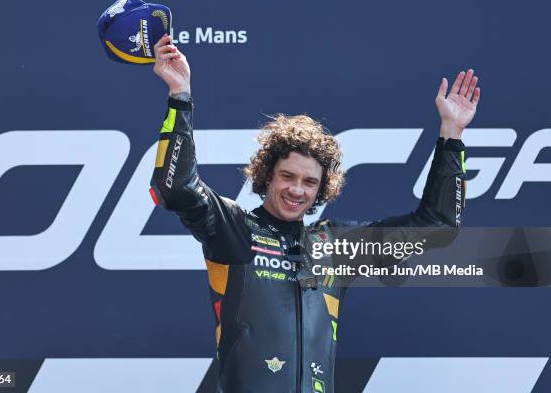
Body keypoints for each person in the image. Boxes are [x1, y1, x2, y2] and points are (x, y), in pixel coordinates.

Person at [148, 34, 479, 393]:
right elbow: (176, 188)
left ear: (321, 189)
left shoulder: (336, 247)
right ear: (267, 176)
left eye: (309, 182)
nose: (296, 190)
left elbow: (439, 225)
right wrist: (180, 97)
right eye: (287, 176)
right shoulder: (234, 229)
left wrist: (452, 134)